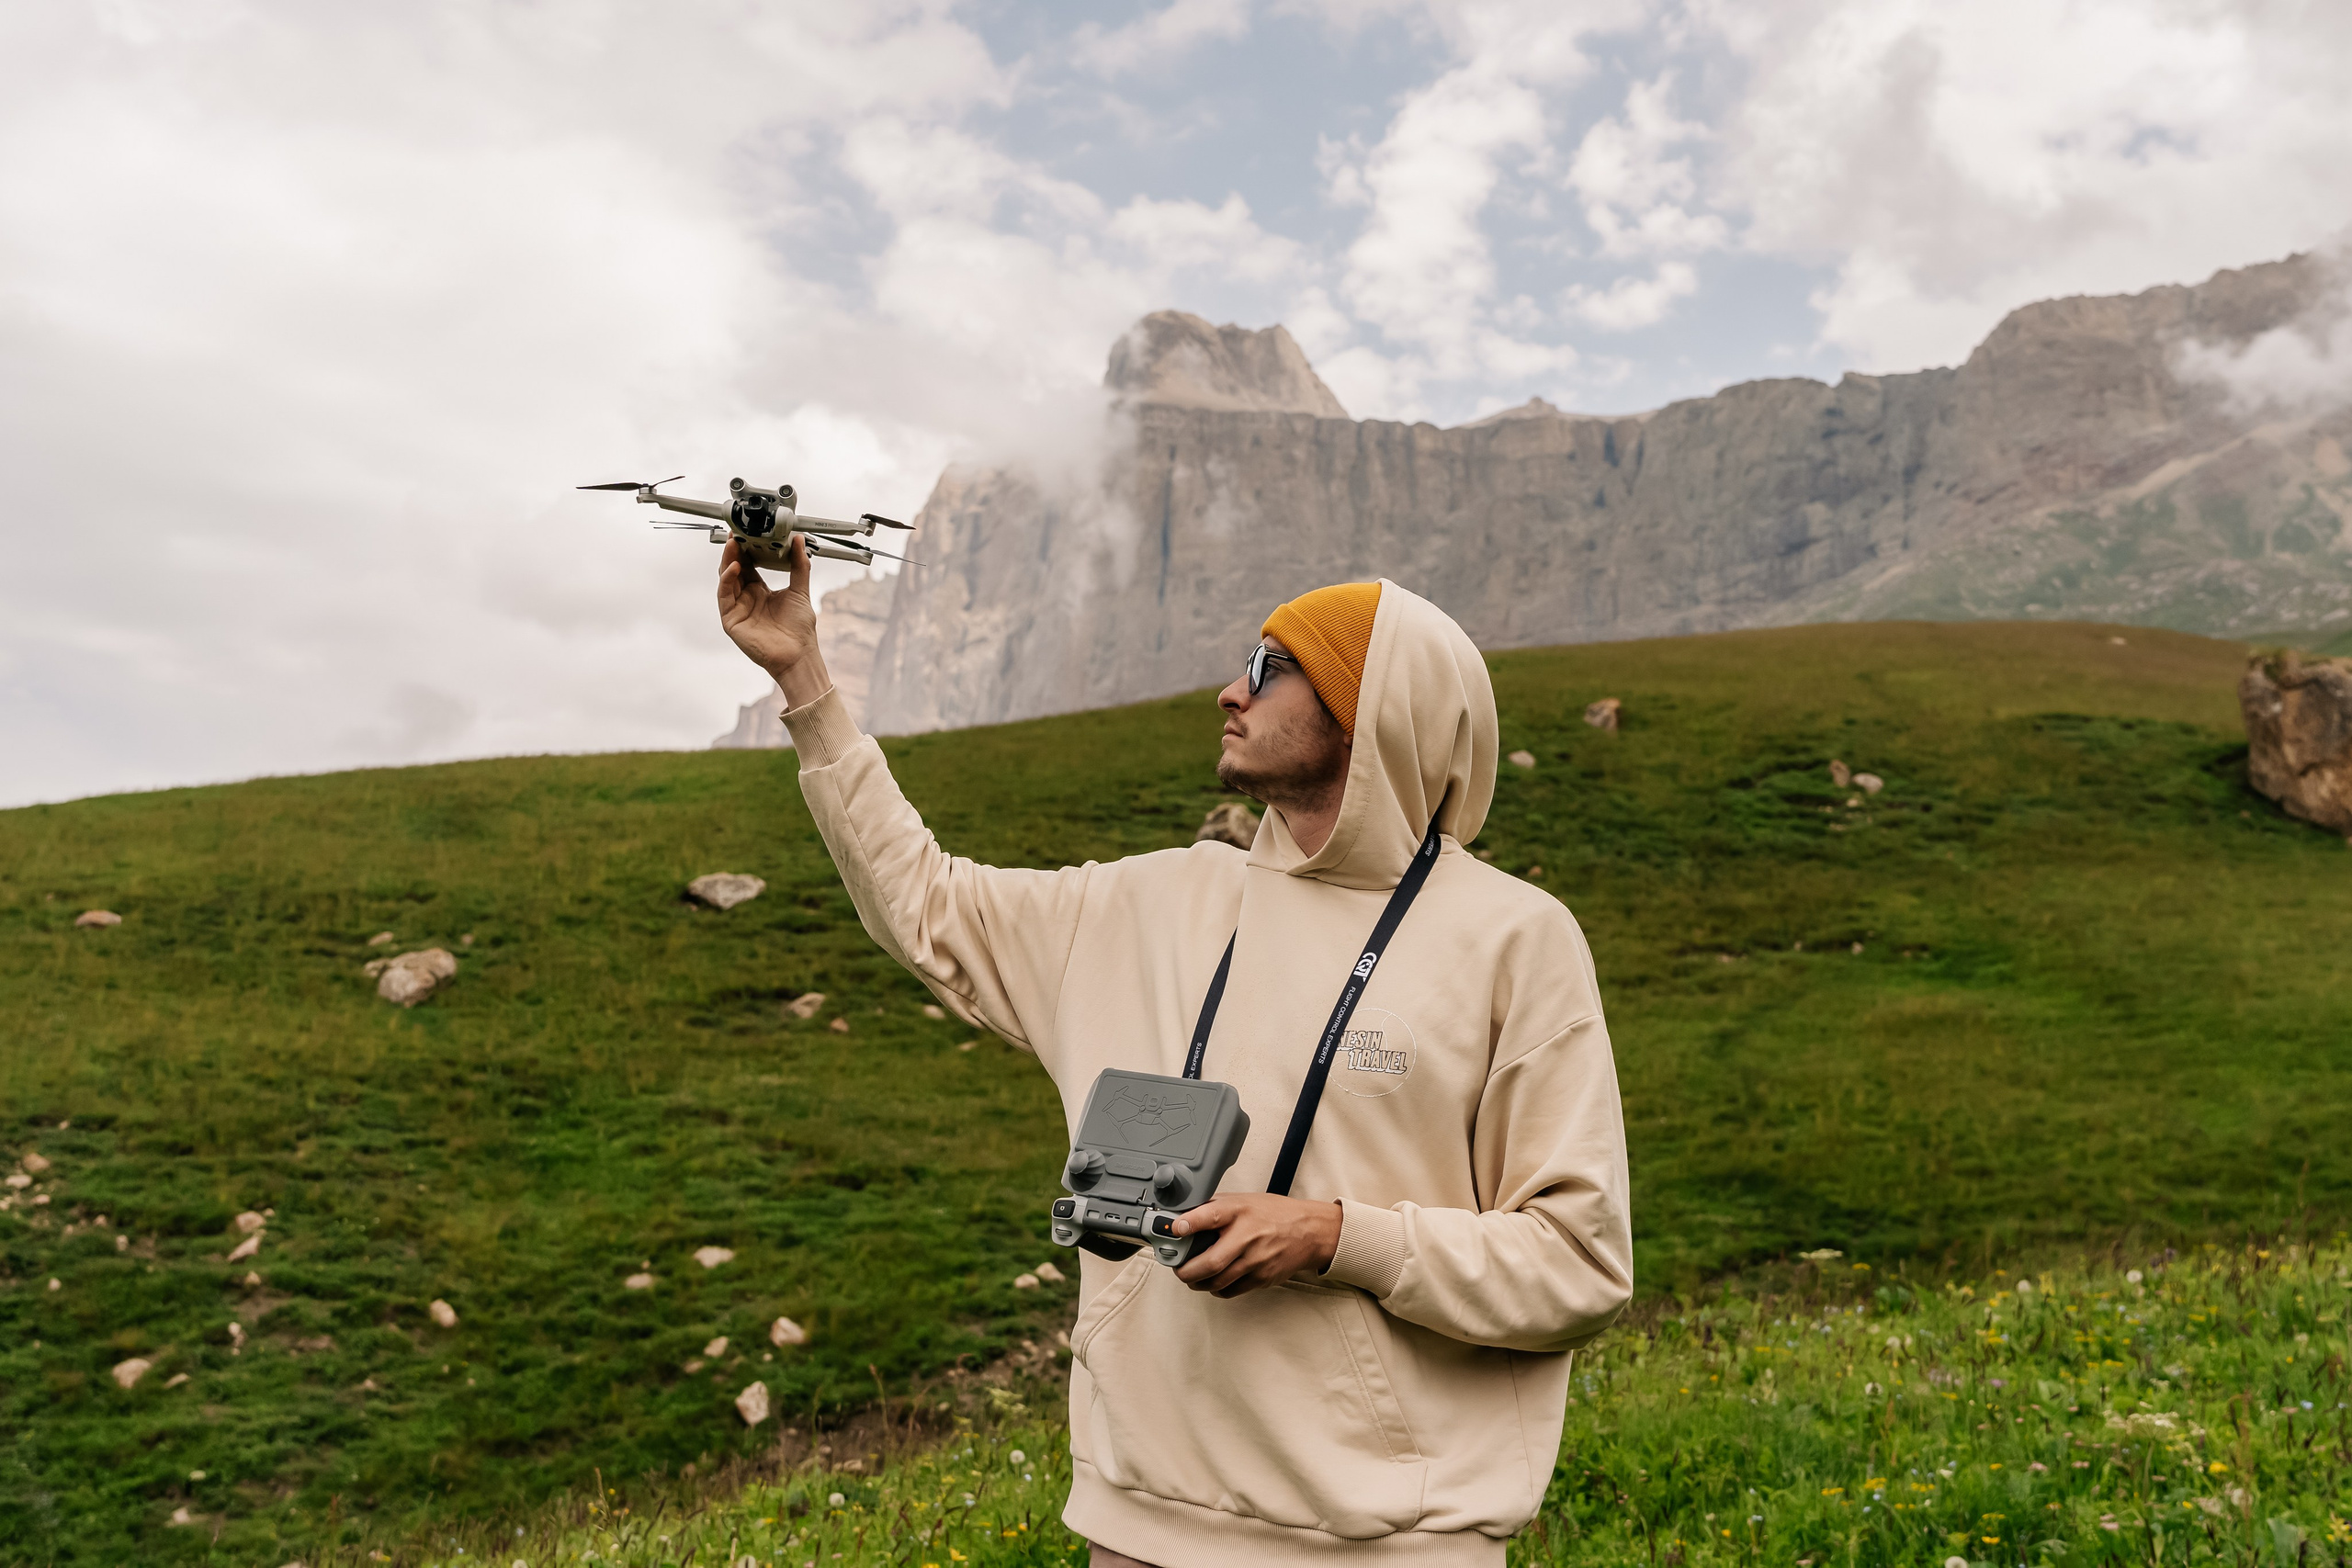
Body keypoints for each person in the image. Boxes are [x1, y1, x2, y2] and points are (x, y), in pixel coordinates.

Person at [718, 536, 1633, 1568]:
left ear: (1375, 704)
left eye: (1270, 665)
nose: (1226, 692)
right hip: (1136, 1525)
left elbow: (1578, 1264)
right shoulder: (1152, 901)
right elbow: (925, 904)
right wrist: (805, 680)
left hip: (1391, 1545)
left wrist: (1336, 1237)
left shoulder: (1514, 938)